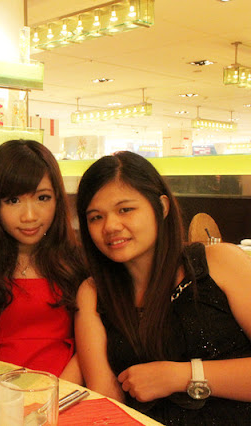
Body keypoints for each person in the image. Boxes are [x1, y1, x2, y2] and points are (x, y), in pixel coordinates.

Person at [75, 151, 251, 425]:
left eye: (125, 209)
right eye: (96, 217)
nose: (110, 226)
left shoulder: (219, 263)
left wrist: (181, 376)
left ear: (162, 207)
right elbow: (106, 400)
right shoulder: (93, 293)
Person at [0, 140, 86, 382]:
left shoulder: (79, 265)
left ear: (58, 199)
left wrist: (54, 395)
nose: (29, 216)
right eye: (13, 201)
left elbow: (87, 351)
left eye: (42, 198)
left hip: (68, 391)